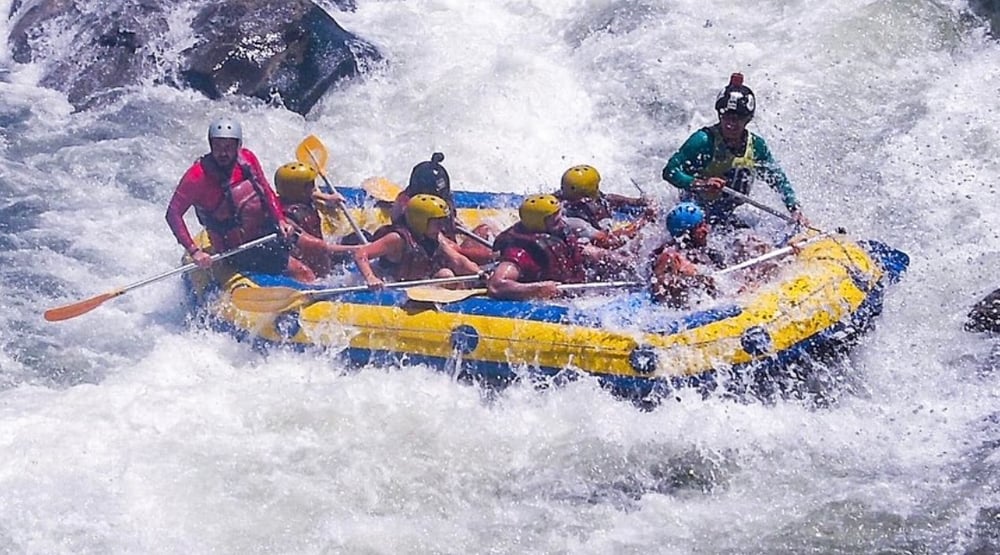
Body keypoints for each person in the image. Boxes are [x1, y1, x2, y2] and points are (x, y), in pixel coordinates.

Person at [165, 118, 313, 281]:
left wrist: (280, 220)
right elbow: (173, 213)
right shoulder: (197, 176)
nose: (223, 153)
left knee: (318, 248)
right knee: (302, 271)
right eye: (218, 147)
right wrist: (194, 251)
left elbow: (265, 189)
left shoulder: (247, 159)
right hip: (239, 248)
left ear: (238, 145)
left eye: (228, 147)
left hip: (265, 231)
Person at [661, 73, 807, 228]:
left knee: (751, 243)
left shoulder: (756, 147)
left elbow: (777, 180)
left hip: (726, 215)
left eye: (737, 119)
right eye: (726, 117)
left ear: (748, 119)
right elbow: (670, 171)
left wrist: (794, 208)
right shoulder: (703, 141)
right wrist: (701, 184)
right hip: (693, 213)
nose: (730, 124)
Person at [487, 194, 631, 301]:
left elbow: (587, 251)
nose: (562, 222)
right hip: (555, 298)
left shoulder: (559, 232)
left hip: (577, 287)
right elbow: (497, 285)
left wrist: (622, 261)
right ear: (539, 224)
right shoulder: (520, 253)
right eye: (556, 220)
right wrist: (538, 289)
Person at [354, 194, 480, 289]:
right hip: (393, 285)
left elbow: (458, 260)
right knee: (446, 275)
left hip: (418, 283)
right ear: (420, 221)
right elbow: (361, 253)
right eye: (437, 222)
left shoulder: (436, 237)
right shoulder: (397, 239)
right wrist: (371, 278)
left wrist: (479, 273)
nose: (441, 226)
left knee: (446, 275)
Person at [389, 152, 495, 264]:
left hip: (448, 249)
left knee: (486, 228)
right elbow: (457, 252)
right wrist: (496, 256)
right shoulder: (416, 215)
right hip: (437, 259)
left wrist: (455, 225)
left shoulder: (424, 200)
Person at [273, 161, 359, 279]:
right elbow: (321, 248)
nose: (314, 188)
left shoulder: (299, 198)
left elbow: (312, 194)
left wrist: (328, 197)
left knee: (359, 236)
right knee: (358, 245)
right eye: (310, 185)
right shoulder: (288, 218)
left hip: (322, 255)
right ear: (299, 190)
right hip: (316, 264)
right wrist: (357, 249)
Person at [555, 164, 654, 249]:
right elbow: (610, 241)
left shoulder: (563, 196)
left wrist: (637, 202)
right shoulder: (576, 221)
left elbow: (607, 198)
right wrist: (645, 219)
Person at [649, 202, 724, 308]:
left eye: (704, 224)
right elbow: (659, 296)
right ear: (686, 233)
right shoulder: (669, 257)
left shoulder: (708, 254)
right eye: (700, 226)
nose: (706, 230)